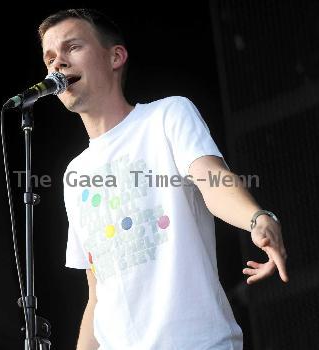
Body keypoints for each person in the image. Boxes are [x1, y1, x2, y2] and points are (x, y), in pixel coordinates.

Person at [38, 8, 288, 350]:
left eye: (72, 48)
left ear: (115, 56)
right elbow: (98, 292)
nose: (58, 63)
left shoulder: (167, 115)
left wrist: (256, 217)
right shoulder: (74, 174)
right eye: (50, 57)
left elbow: (213, 179)